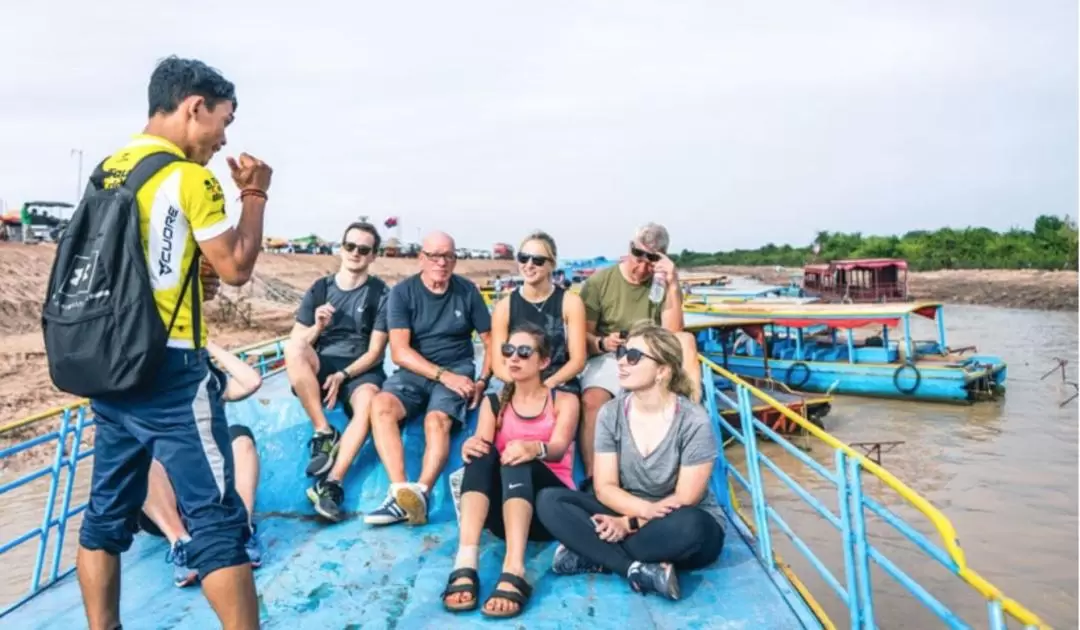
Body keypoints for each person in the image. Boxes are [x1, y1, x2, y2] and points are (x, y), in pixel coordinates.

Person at [75, 56, 271, 630]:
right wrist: (255, 195)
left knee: (105, 516)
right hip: (170, 372)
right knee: (215, 518)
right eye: (223, 120)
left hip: (108, 367)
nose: (225, 137)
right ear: (194, 107)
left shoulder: (110, 170)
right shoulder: (190, 178)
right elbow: (235, 267)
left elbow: (158, 270)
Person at [535, 322, 725, 600]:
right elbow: (606, 487)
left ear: (662, 370)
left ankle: (593, 553)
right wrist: (632, 514)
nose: (622, 362)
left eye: (633, 357)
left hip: (674, 520)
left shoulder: (693, 420)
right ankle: (633, 568)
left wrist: (629, 525)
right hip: (625, 507)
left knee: (691, 527)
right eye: (622, 353)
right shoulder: (611, 413)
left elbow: (686, 498)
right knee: (550, 501)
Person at [441, 323, 578, 618]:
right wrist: (470, 448)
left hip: (548, 512)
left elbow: (558, 446)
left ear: (543, 362)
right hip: (503, 516)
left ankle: (514, 567)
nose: (514, 358)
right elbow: (483, 456)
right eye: (508, 351)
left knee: (518, 454)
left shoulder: (563, 400)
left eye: (524, 352)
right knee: (482, 451)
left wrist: (533, 448)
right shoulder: (494, 403)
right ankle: (465, 561)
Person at [366, 231, 493, 526]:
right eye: (434, 255)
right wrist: (442, 376)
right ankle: (399, 493)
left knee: (436, 421)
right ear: (421, 258)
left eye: (448, 256)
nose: (441, 262)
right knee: (382, 405)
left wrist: (483, 381)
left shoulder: (467, 292)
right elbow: (399, 351)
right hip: (415, 372)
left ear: (455, 260)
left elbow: (491, 341)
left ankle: (421, 493)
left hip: (458, 368)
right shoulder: (402, 293)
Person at [283, 221, 390, 522]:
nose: (355, 253)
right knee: (293, 349)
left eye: (363, 249)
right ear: (341, 248)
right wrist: (317, 327)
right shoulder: (320, 289)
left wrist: (344, 375)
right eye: (350, 246)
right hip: (323, 361)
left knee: (369, 402)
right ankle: (324, 431)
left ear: (372, 256)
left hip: (360, 369)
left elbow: (376, 352)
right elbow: (297, 343)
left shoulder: (381, 294)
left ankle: (332, 484)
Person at [577, 222, 703, 477]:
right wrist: (602, 343)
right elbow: (583, 336)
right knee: (593, 403)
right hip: (610, 355)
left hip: (648, 354)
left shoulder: (660, 286)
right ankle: (594, 477)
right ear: (630, 249)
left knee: (687, 340)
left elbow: (674, 333)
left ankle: (692, 416)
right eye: (638, 255)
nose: (643, 265)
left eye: (652, 259)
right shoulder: (600, 282)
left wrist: (673, 284)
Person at [138, 341, 264, 587]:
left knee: (240, 436)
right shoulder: (152, 393)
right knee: (137, 456)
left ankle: (242, 529)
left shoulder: (207, 384)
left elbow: (251, 382)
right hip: (171, 501)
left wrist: (207, 343)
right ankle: (181, 543)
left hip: (215, 496)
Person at [489, 230, 586, 407]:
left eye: (538, 260)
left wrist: (547, 385)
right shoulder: (504, 307)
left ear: (552, 264)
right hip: (517, 382)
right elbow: (498, 363)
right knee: (490, 410)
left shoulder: (570, 303)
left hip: (558, 380)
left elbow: (578, 360)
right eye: (524, 258)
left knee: (568, 408)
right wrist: (522, 386)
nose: (529, 265)